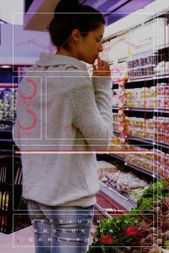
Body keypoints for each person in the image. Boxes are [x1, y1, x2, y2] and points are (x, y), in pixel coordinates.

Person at [13, 0, 112, 252]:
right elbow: (102, 141)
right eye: (98, 39)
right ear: (76, 36)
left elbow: (18, 135)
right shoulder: (75, 81)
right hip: (69, 199)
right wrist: (102, 87)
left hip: (36, 197)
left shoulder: (31, 78)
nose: (100, 48)